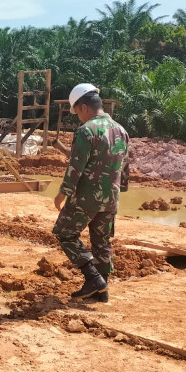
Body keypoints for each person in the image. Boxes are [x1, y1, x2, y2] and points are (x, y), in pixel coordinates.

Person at [53, 83, 130, 302]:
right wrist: (119, 191)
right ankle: (102, 291)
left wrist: (63, 192)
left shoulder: (86, 131)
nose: (78, 117)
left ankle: (93, 278)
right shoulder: (121, 131)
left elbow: (76, 166)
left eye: (77, 112)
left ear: (84, 107)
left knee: (64, 233)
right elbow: (125, 167)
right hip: (111, 198)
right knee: (102, 240)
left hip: (87, 197)